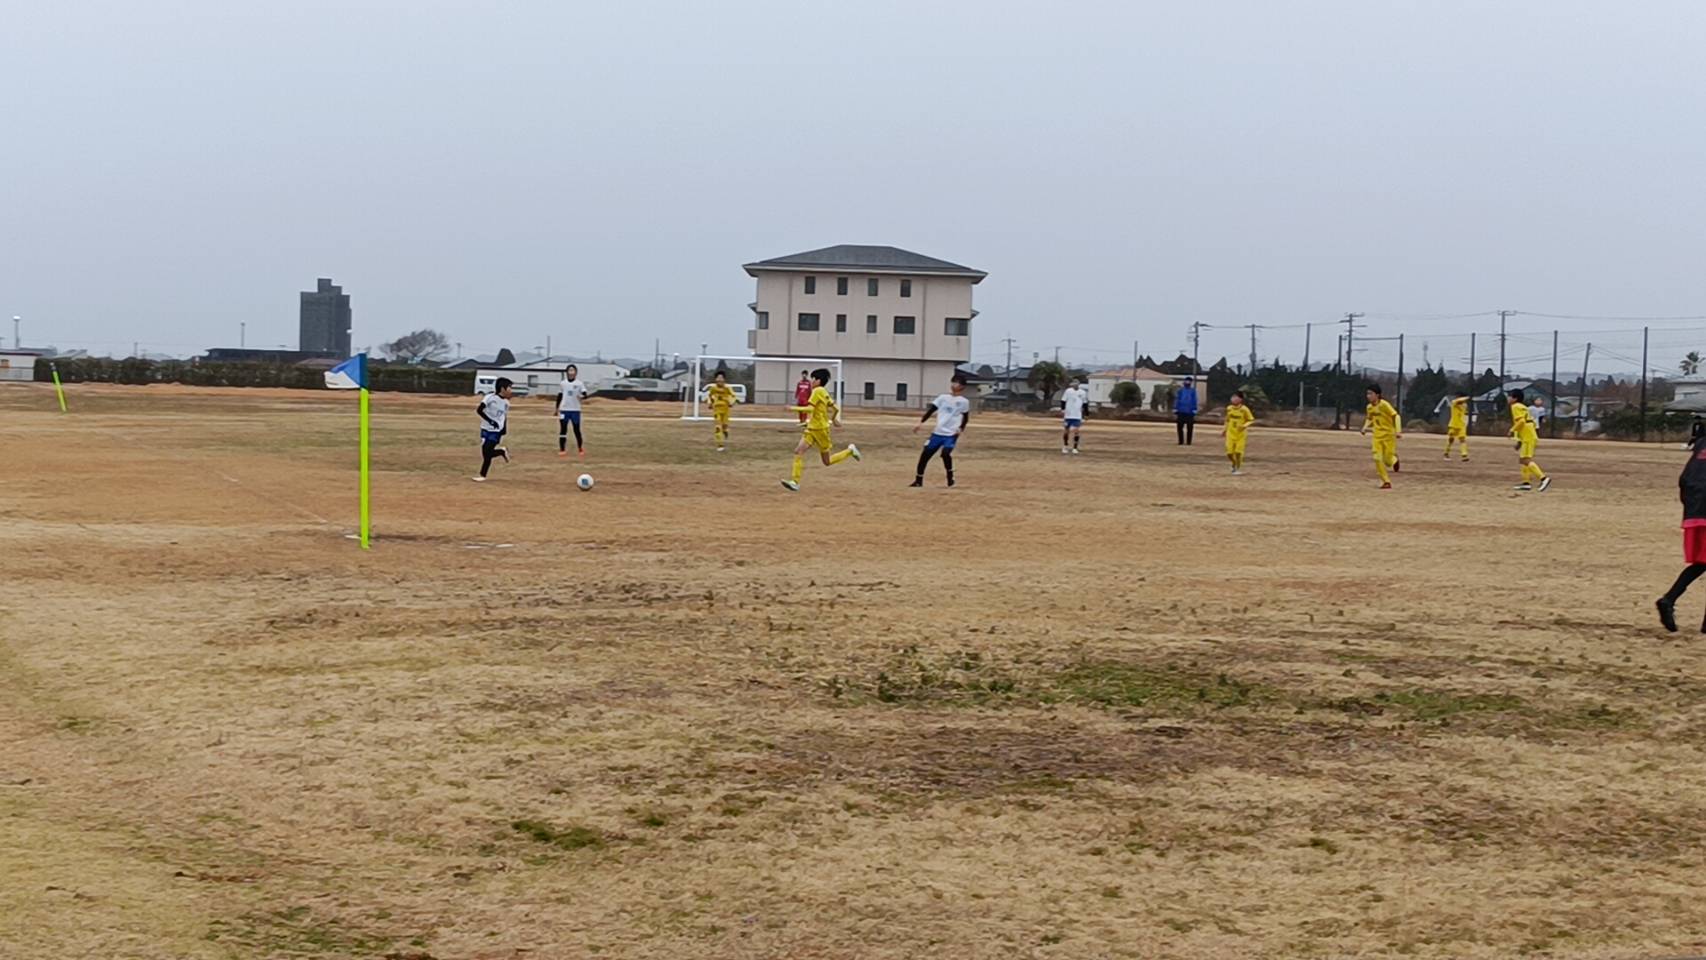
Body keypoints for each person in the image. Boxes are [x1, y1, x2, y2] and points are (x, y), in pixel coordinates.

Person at [782, 367, 861, 491]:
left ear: (818, 380)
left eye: (813, 379)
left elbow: (810, 409)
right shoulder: (824, 392)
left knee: (827, 461)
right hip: (812, 428)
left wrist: (792, 408)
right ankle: (795, 482)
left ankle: (850, 451)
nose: (811, 382)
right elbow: (836, 408)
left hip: (821, 430)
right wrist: (834, 420)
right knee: (798, 451)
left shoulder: (817, 391)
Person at [1657, 436, 1706, 632]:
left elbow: (1685, 479)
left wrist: (1690, 506)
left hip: (1695, 510)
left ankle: (1669, 600)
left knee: (1703, 562)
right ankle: (1669, 599)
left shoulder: (1702, 443)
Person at [912, 373, 971, 487]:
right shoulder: (943, 398)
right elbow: (931, 410)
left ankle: (950, 477)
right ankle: (918, 480)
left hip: (951, 434)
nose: (953, 385)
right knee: (925, 455)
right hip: (937, 432)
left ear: (962, 387)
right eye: (953, 382)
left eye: (957, 383)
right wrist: (920, 422)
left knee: (945, 454)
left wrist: (960, 429)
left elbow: (966, 418)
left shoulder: (964, 401)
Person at [1508, 388, 1551, 492]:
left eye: (1510, 396)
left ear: (1515, 398)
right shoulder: (1522, 406)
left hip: (1528, 436)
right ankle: (1526, 483)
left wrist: (1512, 430)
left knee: (1525, 460)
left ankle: (1543, 478)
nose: (1508, 398)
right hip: (1528, 435)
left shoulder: (1515, 406)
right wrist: (1519, 441)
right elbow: (1527, 422)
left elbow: (1521, 422)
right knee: (1523, 459)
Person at [1359, 384, 1401, 489]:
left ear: (1377, 395)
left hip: (1388, 435)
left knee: (1387, 461)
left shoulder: (1384, 405)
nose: (1368, 396)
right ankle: (1386, 481)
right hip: (1377, 436)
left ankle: (1394, 460)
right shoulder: (1369, 407)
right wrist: (1364, 427)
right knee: (1377, 458)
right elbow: (1369, 418)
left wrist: (1398, 431)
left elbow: (1396, 416)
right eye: (1367, 394)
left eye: (1370, 394)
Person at [474, 377, 513, 482]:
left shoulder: (506, 403)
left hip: (496, 431)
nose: (511, 390)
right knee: (486, 453)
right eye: (509, 387)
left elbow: (504, 416)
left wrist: (504, 429)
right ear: (502, 388)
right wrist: (490, 421)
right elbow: (479, 410)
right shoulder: (489, 397)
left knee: (487, 454)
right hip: (485, 429)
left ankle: (482, 475)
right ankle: (501, 451)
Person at [556, 364, 587, 459]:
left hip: (575, 410)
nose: (571, 372)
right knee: (563, 429)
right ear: (567, 372)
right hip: (564, 410)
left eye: (573, 370)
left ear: (576, 372)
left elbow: (585, 394)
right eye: (569, 370)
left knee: (576, 429)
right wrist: (556, 408)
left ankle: (580, 448)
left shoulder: (579, 383)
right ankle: (562, 449)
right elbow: (560, 396)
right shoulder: (563, 383)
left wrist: (582, 396)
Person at [1221, 390, 1255, 474]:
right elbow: (1227, 420)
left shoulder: (1244, 409)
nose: (1233, 399)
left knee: (1238, 452)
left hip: (1240, 434)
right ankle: (1234, 463)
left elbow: (1251, 420)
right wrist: (1224, 429)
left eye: (1236, 397)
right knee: (1229, 452)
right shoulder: (1229, 408)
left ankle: (1237, 468)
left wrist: (1244, 426)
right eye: (1232, 397)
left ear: (1240, 399)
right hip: (1230, 433)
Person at [705, 371, 739, 451]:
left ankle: (725, 431)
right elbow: (710, 396)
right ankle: (720, 445)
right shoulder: (713, 388)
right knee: (717, 427)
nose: (719, 379)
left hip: (725, 410)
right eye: (718, 378)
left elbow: (734, 396)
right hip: (716, 410)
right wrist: (710, 403)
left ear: (724, 379)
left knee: (724, 426)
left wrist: (731, 402)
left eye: (721, 378)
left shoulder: (727, 388)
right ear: (715, 379)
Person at [1060, 379, 1089, 454]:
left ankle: (1075, 448)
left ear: (1078, 384)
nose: (1075, 385)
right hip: (1068, 415)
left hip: (1077, 415)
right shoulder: (1068, 391)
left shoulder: (1082, 392)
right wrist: (1063, 410)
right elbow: (1063, 401)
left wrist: (1086, 414)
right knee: (1066, 431)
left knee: (1076, 431)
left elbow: (1085, 404)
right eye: (1073, 384)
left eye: (1076, 384)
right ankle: (1065, 446)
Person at [1444, 393, 1471, 461]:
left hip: (1461, 425)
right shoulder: (1454, 402)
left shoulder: (1464, 405)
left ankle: (1464, 455)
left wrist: (1465, 399)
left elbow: (1462, 402)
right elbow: (1459, 401)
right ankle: (1446, 453)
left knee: (1462, 439)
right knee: (1451, 439)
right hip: (1453, 424)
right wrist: (1468, 397)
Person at [1175, 377, 1199, 445]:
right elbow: (1177, 399)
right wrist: (1176, 408)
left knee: (1190, 427)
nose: (1188, 382)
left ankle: (1189, 442)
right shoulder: (1180, 390)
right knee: (1179, 427)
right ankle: (1181, 441)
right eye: (1187, 381)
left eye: (1189, 381)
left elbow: (1194, 400)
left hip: (1190, 412)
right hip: (1181, 411)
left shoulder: (1193, 391)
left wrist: (1195, 409)